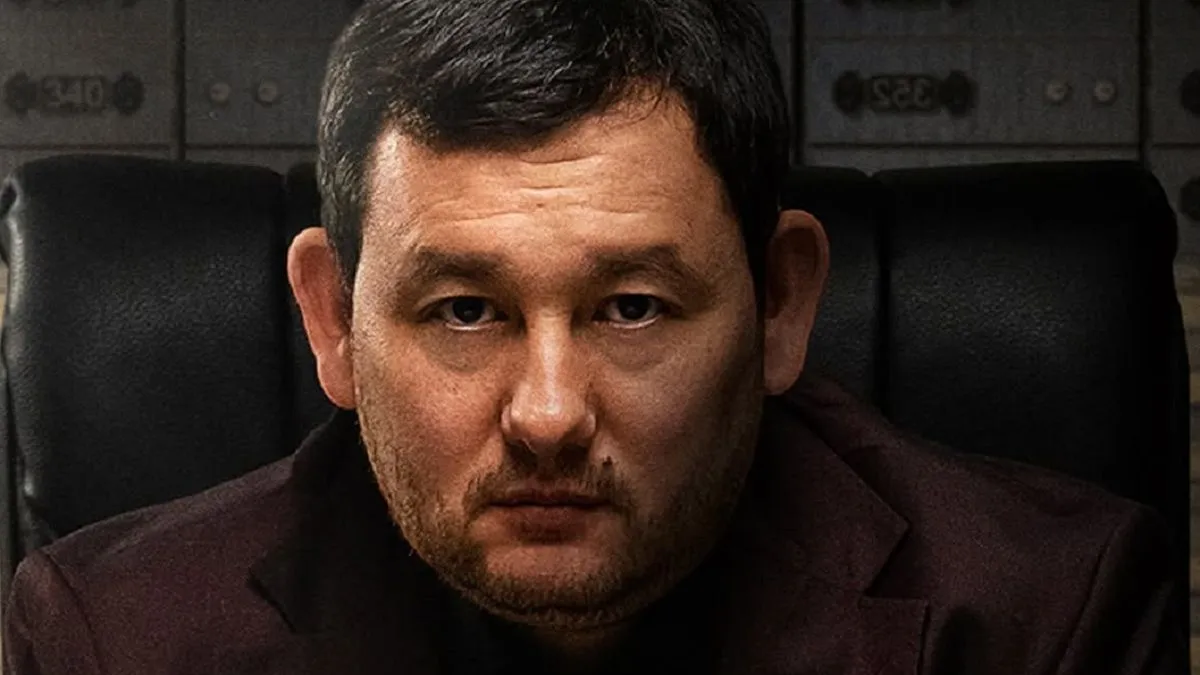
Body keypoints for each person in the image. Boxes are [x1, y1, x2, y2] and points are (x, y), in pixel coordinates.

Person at [3, 0, 1185, 673]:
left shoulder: (1047, 618)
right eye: (465, 311)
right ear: (333, 319)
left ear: (780, 304)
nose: (551, 414)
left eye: (632, 307)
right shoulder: (111, 642)